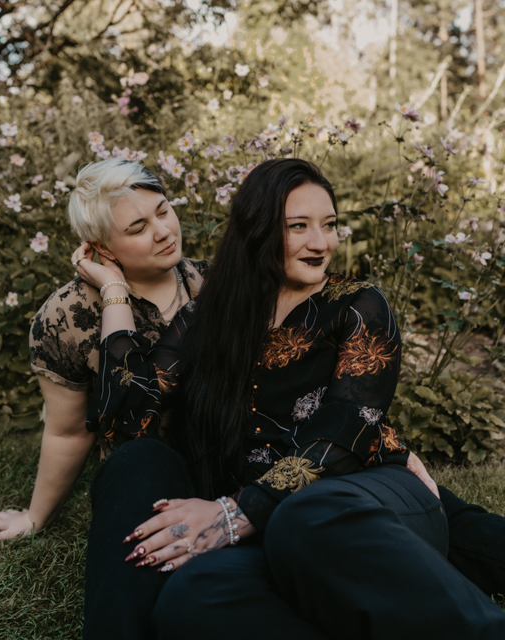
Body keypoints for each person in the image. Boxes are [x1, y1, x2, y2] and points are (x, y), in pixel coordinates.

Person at [78, 158, 505, 639]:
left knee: (305, 515)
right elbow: (125, 420)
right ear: (256, 231)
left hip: (361, 504)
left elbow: (345, 426)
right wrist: (114, 290)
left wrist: (231, 513)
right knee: (193, 592)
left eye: (329, 225)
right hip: (266, 536)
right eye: (298, 226)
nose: (320, 243)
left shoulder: (359, 304)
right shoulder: (206, 318)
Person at [0, 157, 207, 540]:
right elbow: (68, 431)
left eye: (163, 211)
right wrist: (34, 517)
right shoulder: (65, 319)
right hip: (143, 473)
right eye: (138, 228)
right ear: (102, 248)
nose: (163, 232)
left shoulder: (213, 284)